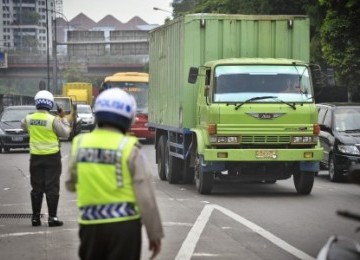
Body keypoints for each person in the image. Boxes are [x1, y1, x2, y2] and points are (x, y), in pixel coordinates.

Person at [65, 88, 164, 260]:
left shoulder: (79, 143)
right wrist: (154, 234)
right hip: (124, 228)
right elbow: (146, 197)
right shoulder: (129, 148)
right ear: (128, 118)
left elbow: (70, 183)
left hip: (90, 226)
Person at [21, 90, 70, 227]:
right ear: (50, 104)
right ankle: (52, 218)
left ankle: (35, 218)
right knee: (52, 187)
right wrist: (64, 118)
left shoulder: (29, 118)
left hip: (35, 157)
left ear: (37, 103)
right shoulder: (53, 119)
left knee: (36, 187)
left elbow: (23, 126)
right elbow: (65, 134)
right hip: (52, 158)